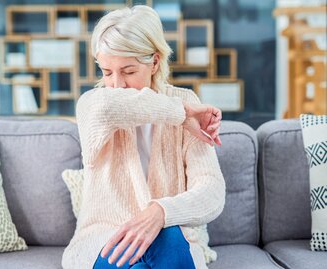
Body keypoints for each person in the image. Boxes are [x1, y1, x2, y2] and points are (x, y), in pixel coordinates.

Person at [62, 5, 225, 269]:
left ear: (155, 62)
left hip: (168, 237)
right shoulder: (92, 105)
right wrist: (180, 114)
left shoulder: (185, 100)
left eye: (128, 71)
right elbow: (108, 105)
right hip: (104, 240)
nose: (116, 84)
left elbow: (212, 193)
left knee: (166, 236)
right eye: (106, 72)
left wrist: (160, 212)